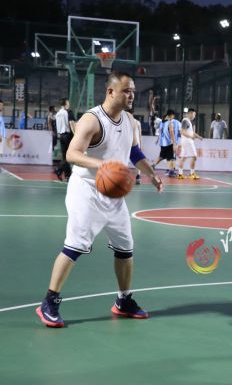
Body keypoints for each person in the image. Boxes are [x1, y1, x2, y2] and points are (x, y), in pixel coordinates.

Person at [35, 71, 164, 328]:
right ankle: (49, 301)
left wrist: (151, 173)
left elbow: (134, 152)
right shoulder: (92, 120)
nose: (131, 95)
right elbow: (72, 154)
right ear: (111, 92)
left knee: (125, 248)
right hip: (86, 191)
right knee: (75, 246)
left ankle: (123, 300)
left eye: (133, 91)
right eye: (126, 90)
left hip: (113, 195)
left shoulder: (130, 121)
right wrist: (102, 165)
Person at [177, 108, 203, 179]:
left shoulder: (188, 121)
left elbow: (192, 132)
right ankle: (192, 174)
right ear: (190, 113)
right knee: (194, 156)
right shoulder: (185, 121)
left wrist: (198, 137)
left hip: (185, 141)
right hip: (187, 141)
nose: (194, 116)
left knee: (183, 158)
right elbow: (182, 132)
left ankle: (180, 174)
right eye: (194, 114)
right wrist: (191, 137)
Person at [54, 98, 73, 181]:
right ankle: (59, 169)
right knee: (69, 156)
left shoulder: (58, 113)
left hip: (61, 136)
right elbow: (71, 124)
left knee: (65, 156)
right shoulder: (67, 112)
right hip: (67, 135)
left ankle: (67, 175)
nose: (69, 103)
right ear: (65, 103)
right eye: (68, 102)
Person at [153, 110, 177, 177]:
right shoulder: (169, 123)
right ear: (171, 115)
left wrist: (157, 140)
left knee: (161, 156)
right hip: (168, 143)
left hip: (162, 143)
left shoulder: (161, 123)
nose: (173, 117)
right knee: (170, 157)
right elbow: (171, 132)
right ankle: (171, 171)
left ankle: (152, 165)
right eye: (173, 116)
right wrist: (174, 143)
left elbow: (160, 133)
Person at [132, 115, 143, 185]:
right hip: (136, 144)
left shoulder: (124, 121)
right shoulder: (137, 122)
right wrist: (140, 145)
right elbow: (140, 135)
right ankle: (138, 176)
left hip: (129, 144)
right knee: (138, 161)